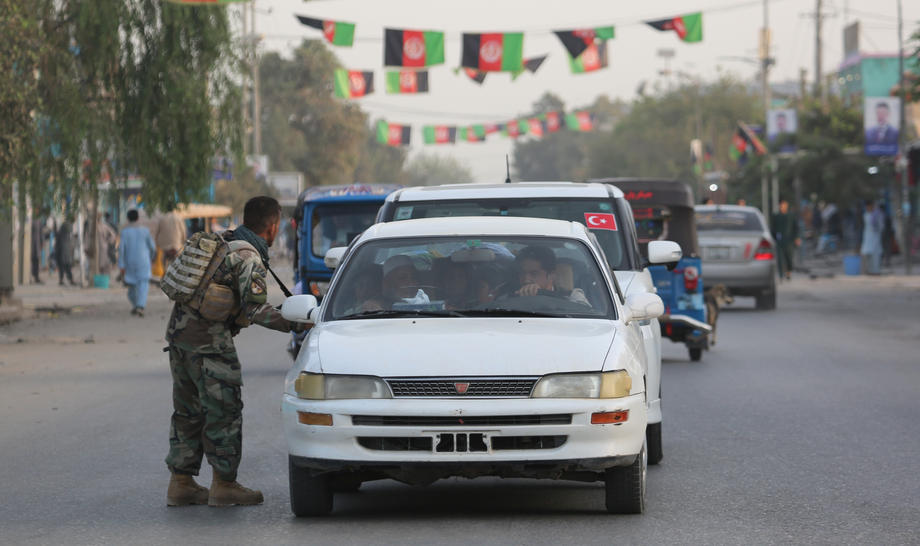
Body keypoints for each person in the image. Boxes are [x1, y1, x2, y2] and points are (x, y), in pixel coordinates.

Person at [164, 196, 309, 507]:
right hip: (210, 344)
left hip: (179, 336)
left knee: (188, 411)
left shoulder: (224, 240)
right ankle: (224, 484)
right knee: (224, 411)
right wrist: (298, 324)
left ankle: (181, 484)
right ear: (273, 227)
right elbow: (256, 310)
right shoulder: (247, 256)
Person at [515, 246, 589, 306]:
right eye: (522, 273)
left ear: (551, 276)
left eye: (534, 273)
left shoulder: (572, 296)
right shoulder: (511, 295)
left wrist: (541, 295)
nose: (526, 280)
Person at [118, 209, 156, 316]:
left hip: (129, 262)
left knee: (132, 286)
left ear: (128, 219)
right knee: (143, 284)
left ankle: (137, 305)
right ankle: (140, 306)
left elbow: (121, 249)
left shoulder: (125, 232)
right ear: (138, 218)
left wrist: (121, 265)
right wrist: (151, 258)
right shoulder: (145, 231)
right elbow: (152, 247)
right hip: (144, 261)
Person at [152, 205, 187, 272]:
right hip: (176, 246)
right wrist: (183, 242)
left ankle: (165, 272)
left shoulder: (162, 218)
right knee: (178, 265)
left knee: (164, 262)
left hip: (165, 247)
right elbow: (183, 231)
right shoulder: (178, 217)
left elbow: (157, 232)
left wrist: (157, 242)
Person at [771, 199, 800, 280]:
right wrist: (775, 238)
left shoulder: (791, 216)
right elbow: (773, 229)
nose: (783, 207)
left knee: (789, 257)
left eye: (784, 205)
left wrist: (797, 238)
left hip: (789, 241)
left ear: (787, 206)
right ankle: (781, 275)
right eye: (781, 205)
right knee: (780, 258)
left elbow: (796, 228)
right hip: (780, 241)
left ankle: (788, 272)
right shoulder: (776, 216)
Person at [860, 200, 883, 275]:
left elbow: (881, 226)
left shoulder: (877, 214)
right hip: (868, 237)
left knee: (875, 256)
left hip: (875, 238)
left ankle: (876, 271)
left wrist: (877, 225)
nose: (868, 208)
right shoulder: (866, 215)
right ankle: (868, 270)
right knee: (867, 254)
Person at [54, 217, 75, 286]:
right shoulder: (68, 234)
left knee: (62, 267)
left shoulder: (61, 233)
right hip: (65, 253)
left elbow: (57, 243)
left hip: (61, 253)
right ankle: (70, 279)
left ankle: (62, 279)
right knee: (67, 267)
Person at [31, 211, 46, 284]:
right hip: (31, 245)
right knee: (31, 261)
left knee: (36, 261)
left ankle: (36, 277)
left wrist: (42, 243)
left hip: (37, 244)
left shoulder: (39, 221)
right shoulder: (30, 219)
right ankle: (32, 276)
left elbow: (41, 233)